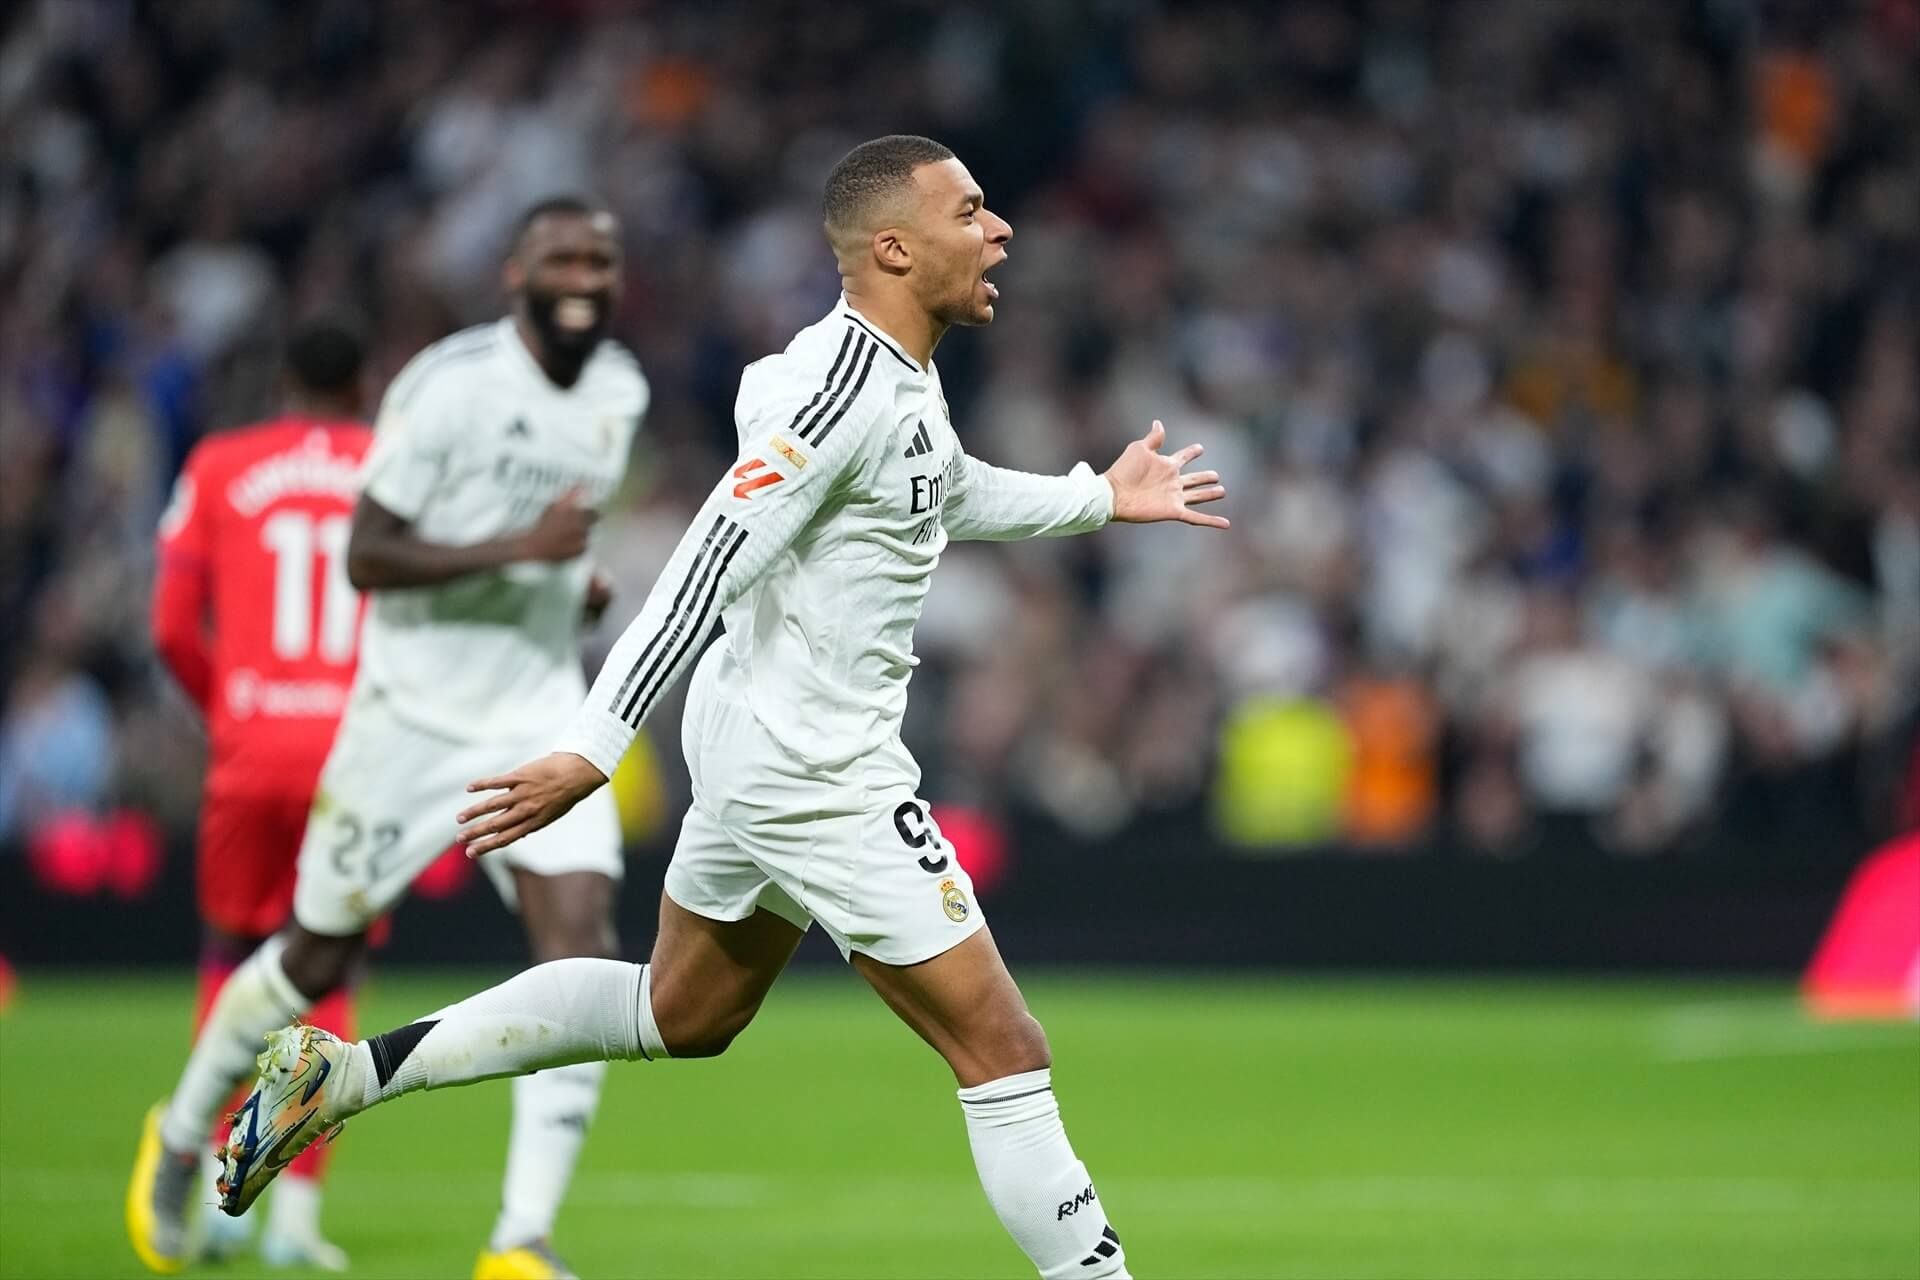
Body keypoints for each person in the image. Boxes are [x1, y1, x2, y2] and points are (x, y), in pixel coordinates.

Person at [218, 136, 1226, 1279]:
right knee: (1005, 1048)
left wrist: (1098, 495)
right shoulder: (838, 392)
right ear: (893, 246)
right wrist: (592, 752)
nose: (998, 232)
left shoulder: (893, 375)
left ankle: (347, 1075)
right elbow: (703, 563)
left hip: (763, 745)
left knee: (678, 1010)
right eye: (972, 212)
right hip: (818, 767)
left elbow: (941, 485)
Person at [127, 197, 650, 1280]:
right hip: (407, 718)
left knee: (584, 947)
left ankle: (520, 1236)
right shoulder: (446, 386)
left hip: (534, 709)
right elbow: (368, 554)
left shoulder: (620, 391)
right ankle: (181, 1132)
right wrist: (527, 548)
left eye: (600, 259)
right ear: (515, 271)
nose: (583, 275)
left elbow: (546, 556)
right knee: (313, 951)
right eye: (562, 255)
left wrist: (568, 585)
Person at [130, 317, 373, 1272]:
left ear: (284, 381)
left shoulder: (221, 463)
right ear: (362, 388)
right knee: (333, 971)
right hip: (352, 754)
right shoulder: (391, 461)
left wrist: (226, 705)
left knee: (232, 962)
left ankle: (216, 1190)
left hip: (249, 747)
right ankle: (295, 1218)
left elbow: (167, 625)